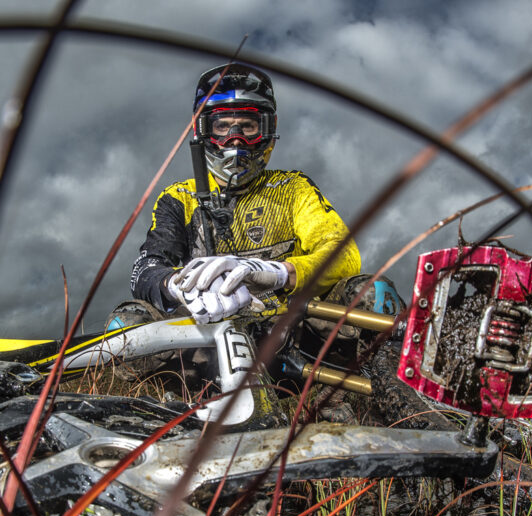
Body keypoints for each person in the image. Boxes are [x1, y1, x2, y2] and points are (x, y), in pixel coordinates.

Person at [112, 63, 365, 330]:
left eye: (248, 126)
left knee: (371, 292)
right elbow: (146, 267)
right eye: (223, 127)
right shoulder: (179, 198)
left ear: (268, 129)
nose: (235, 139)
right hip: (208, 331)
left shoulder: (292, 187)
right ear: (203, 130)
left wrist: (281, 273)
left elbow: (344, 253)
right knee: (129, 319)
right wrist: (176, 284)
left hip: (294, 330)